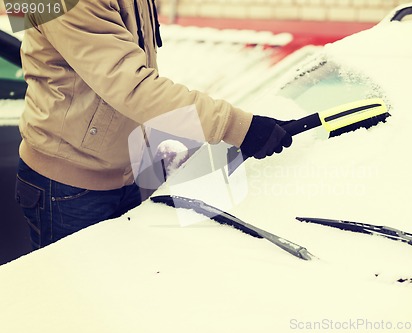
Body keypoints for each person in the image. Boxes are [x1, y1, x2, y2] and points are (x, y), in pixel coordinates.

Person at [14, 0, 292, 250]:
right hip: (68, 186)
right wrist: (235, 126)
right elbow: (131, 87)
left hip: (124, 169)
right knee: (75, 302)